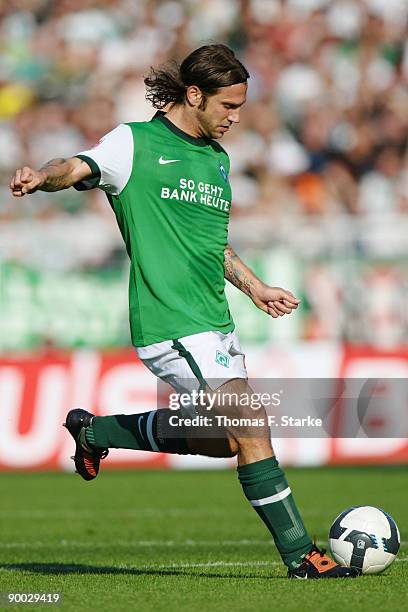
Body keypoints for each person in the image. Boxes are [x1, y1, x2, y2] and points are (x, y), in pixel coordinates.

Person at [10, 44, 358, 579]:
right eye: (228, 106)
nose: (236, 118)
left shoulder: (217, 162)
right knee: (251, 423)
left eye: (241, 107)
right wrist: (41, 180)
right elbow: (76, 165)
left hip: (215, 323)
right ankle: (301, 557)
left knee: (220, 439)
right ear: (194, 95)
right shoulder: (135, 143)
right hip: (170, 321)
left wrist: (255, 288)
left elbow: (211, 246)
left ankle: (95, 432)